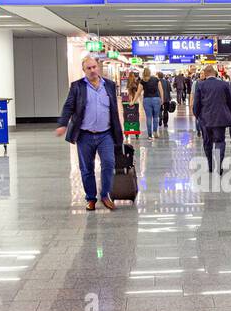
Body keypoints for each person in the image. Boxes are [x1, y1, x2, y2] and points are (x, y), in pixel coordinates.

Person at [56, 55, 123, 211]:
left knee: (108, 163)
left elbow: (114, 109)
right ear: (84, 70)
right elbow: (68, 107)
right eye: (89, 68)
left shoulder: (110, 85)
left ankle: (105, 195)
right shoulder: (77, 86)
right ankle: (91, 198)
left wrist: (120, 130)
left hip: (106, 133)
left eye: (94, 67)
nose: (92, 70)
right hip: (85, 135)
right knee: (86, 168)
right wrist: (62, 124)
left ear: (98, 67)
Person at [192, 64, 231, 175]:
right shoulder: (224, 84)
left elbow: (197, 103)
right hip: (220, 118)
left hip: (205, 119)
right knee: (220, 141)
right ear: (215, 73)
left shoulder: (200, 85)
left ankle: (210, 166)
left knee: (207, 142)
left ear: (205, 74)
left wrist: (197, 115)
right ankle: (219, 165)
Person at [139, 67, 163, 140]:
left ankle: (149, 135)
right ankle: (155, 132)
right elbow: (161, 90)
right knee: (156, 117)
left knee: (148, 117)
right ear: (150, 72)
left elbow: (138, 92)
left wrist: (133, 101)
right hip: (156, 99)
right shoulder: (156, 79)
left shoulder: (142, 81)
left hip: (146, 100)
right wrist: (162, 99)